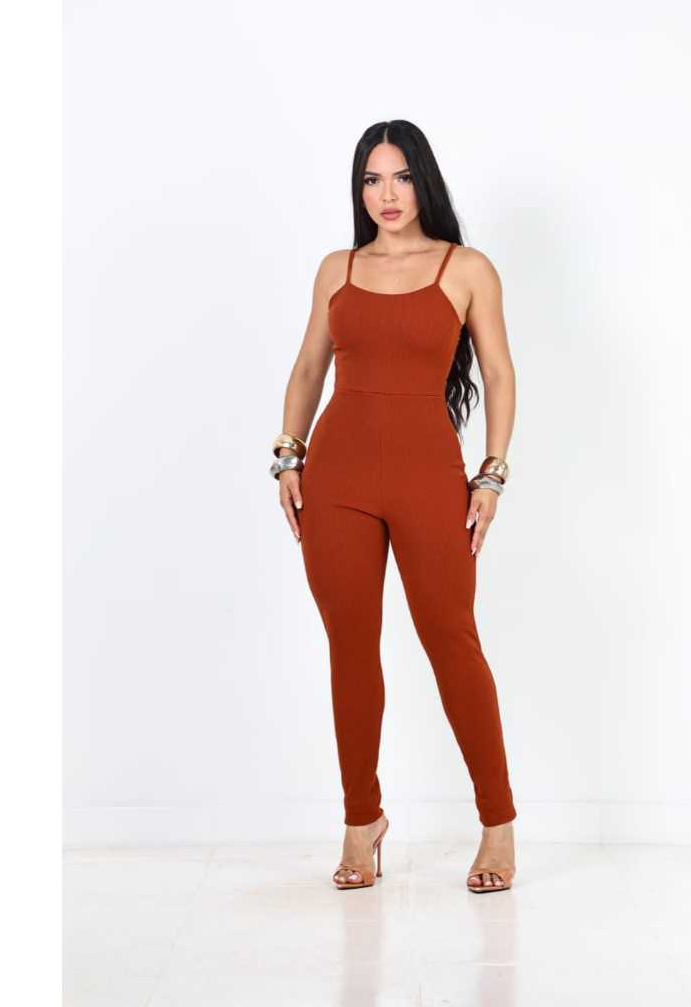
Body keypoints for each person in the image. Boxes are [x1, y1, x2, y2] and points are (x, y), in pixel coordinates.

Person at [269, 120, 518, 893]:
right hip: (337, 477)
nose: (387, 194)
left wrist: (491, 476)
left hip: (428, 478)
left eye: (402, 177)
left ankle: (498, 824)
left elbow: (499, 375)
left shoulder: (465, 268)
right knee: (350, 648)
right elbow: (309, 368)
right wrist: (288, 454)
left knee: (452, 642)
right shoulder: (337, 269)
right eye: (373, 179)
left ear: (424, 182)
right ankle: (361, 821)